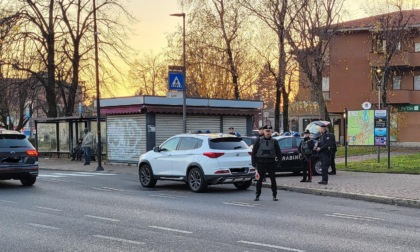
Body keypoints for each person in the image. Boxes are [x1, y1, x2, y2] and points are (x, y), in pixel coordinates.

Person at [251, 125, 282, 201]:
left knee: (273, 180)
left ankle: (274, 195)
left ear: (271, 132)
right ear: (263, 131)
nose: (268, 132)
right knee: (259, 180)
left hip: (271, 162)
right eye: (266, 131)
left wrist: (278, 163)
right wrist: (253, 162)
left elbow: (279, 153)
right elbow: (254, 152)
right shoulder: (259, 140)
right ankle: (257, 195)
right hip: (261, 162)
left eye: (269, 131)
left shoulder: (274, 141)